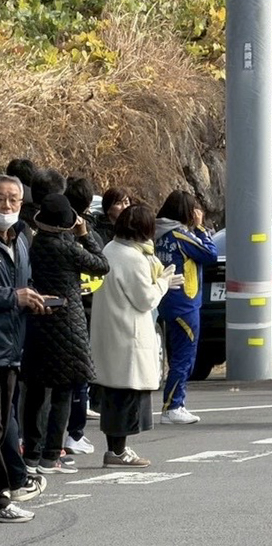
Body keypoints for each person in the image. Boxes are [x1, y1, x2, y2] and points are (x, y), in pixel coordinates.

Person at [21, 194, 109, 474]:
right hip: (67, 325)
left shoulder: (31, 245)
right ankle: (51, 456)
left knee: (35, 391)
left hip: (37, 320)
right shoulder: (69, 248)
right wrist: (85, 234)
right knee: (63, 391)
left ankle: (31, 454)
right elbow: (101, 265)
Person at [90, 204, 182, 468]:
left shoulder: (111, 249)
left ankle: (116, 449)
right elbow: (146, 299)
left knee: (114, 395)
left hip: (111, 331)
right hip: (128, 334)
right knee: (126, 395)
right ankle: (118, 452)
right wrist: (162, 283)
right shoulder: (133, 258)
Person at [0, 174, 47, 522]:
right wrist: (12, 297)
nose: (7, 206)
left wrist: (34, 298)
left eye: (13, 200)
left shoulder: (21, 238)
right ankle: (5, 496)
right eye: (1, 199)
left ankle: (14, 483)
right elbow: (12, 293)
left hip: (12, 346)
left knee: (5, 424)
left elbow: (24, 283)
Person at [154, 190, 217, 425]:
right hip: (184, 303)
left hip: (167, 299)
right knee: (184, 357)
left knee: (178, 354)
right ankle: (173, 406)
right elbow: (210, 254)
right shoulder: (180, 235)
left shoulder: (157, 233)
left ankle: (175, 404)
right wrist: (200, 228)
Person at [63, 176, 106, 456]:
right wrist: (84, 235)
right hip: (83, 309)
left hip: (61, 310)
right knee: (80, 375)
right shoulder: (83, 236)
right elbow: (101, 264)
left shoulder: (47, 238)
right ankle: (73, 435)